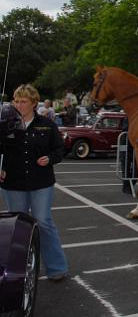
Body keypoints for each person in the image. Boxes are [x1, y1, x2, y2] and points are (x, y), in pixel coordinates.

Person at [0, 84, 69, 281]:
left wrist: (50, 158)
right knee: (18, 226)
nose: (18, 105)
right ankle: (18, 271)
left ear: (33, 103)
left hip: (41, 182)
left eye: (23, 101)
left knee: (43, 221)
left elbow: (59, 149)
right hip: (13, 183)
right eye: (16, 101)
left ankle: (56, 268)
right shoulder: (5, 124)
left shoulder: (47, 124)